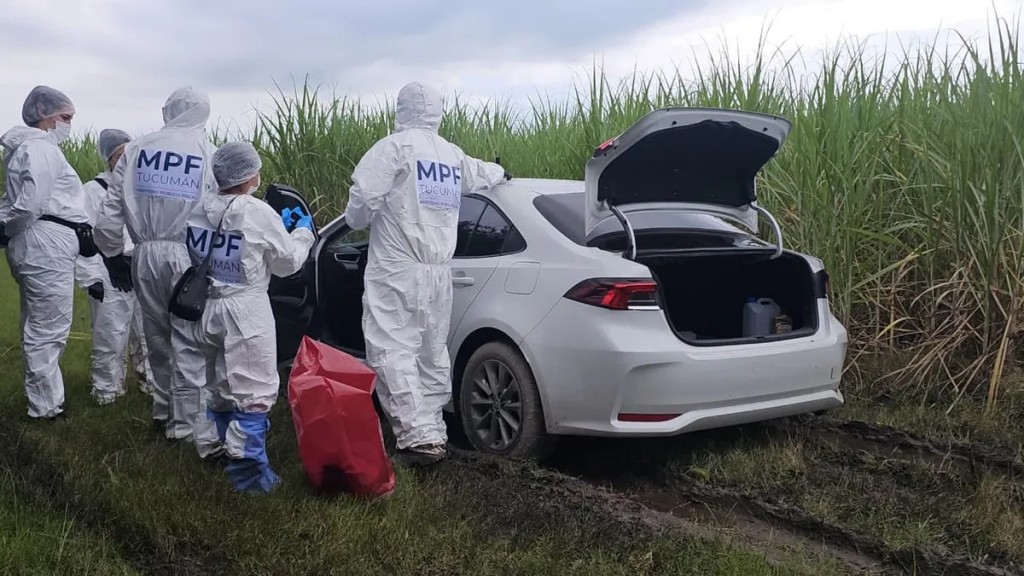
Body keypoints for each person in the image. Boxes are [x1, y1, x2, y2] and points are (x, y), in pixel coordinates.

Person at [342, 81, 509, 466]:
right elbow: (482, 173)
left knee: (391, 349)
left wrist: (358, 219)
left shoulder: (394, 148)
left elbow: (363, 201)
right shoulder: (449, 155)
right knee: (431, 352)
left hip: (398, 268)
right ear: (437, 112)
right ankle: (432, 430)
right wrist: (502, 171)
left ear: (400, 110)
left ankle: (418, 440)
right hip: (438, 272)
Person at [180, 141, 315, 492]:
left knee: (221, 386)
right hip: (245, 311)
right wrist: (301, 232)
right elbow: (287, 264)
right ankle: (250, 476)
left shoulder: (199, 209)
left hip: (208, 308)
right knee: (254, 392)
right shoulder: (256, 212)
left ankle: (217, 447)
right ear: (248, 175)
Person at [93, 87, 220, 451]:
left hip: (144, 254)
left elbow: (110, 211)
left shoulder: (136, 150)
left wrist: (113, 253)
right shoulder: (207, 153)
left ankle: (164, 411)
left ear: (169, 111)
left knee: (157, 338)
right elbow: (219, 209)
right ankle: (188, 426)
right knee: (190, 340)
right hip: (188, 256)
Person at [0, 86, 89, 420]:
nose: (68, 124)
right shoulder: (40, 149)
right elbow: (32, 203)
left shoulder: (25, 149)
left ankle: (44, 398)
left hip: (37, 242)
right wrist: (9, 226)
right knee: (47, 329)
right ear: (45, 118)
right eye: (65, 117)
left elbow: (15, 201)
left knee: (38, 324)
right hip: (45, 244)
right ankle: (45, 408)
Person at [75, 128, 153, 404]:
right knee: (111, 333)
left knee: (146, 333)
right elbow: (86, 236)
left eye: (129, 154)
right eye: (119, 155)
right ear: (108, 158)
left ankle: (150, 384)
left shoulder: (142, 188)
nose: (125, 160)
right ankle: (107, 389)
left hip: (139, 268)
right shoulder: (92, 191)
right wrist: (93, 276)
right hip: (109, 271)